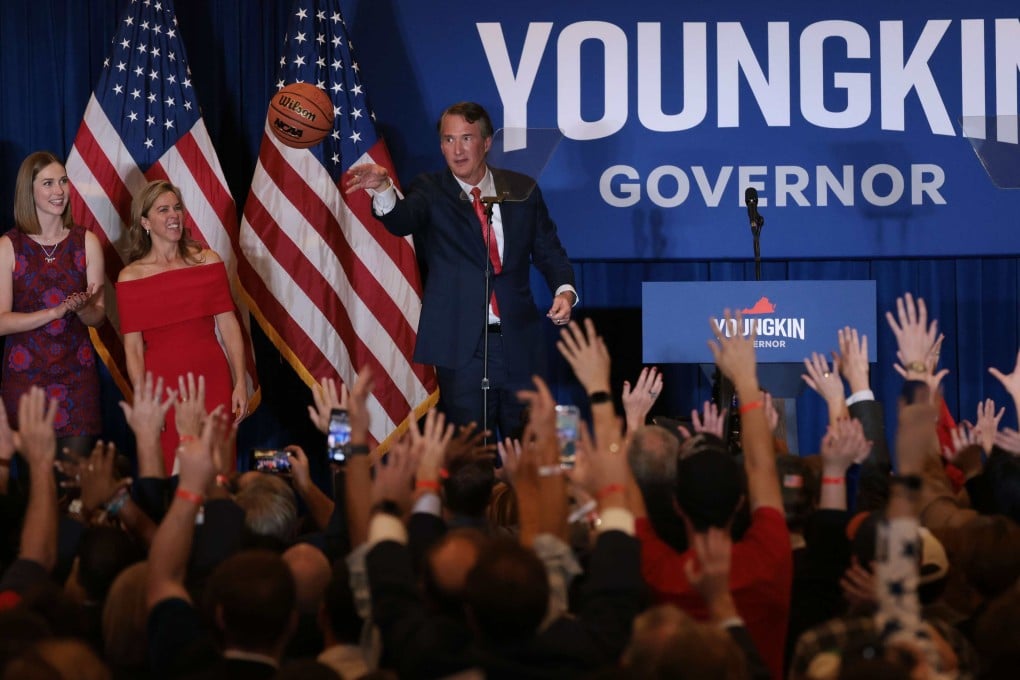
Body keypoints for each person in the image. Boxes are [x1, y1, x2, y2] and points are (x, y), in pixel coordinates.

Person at [346, 101, 577, 438]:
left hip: (518, 343)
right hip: (462, 347)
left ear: (485, 143)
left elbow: (548, 250)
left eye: (466, 139)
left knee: (530, 449)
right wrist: (383, 189)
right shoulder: (430, 189)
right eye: (448, 140)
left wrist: (565, 291)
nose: (456, 150)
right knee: (470, 455)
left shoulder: (520, 189)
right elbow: (401, 220)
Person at [115, 180, 248, 473]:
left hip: (213, 380)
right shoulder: (130, 278)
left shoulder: (207, 260)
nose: (174, 214)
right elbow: (133, 349)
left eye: (177, 207)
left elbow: (228, 325)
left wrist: (240, 381)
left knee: (218, 472)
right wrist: (145, 400)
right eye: (163, 210)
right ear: (145, 222)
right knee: (172, 472)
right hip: (163, 389)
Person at [0, 151, 105, 459]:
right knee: (38, 487)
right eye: (48, 184)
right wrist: (54, 312)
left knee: (74, 488)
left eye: (63, 181)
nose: (59, 191)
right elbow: (1, 321)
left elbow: (98, 317)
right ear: (28, 191)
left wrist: (82, 308)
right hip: (26, 381)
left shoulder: (87, 242)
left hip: (77, 379)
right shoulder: (8, 246)